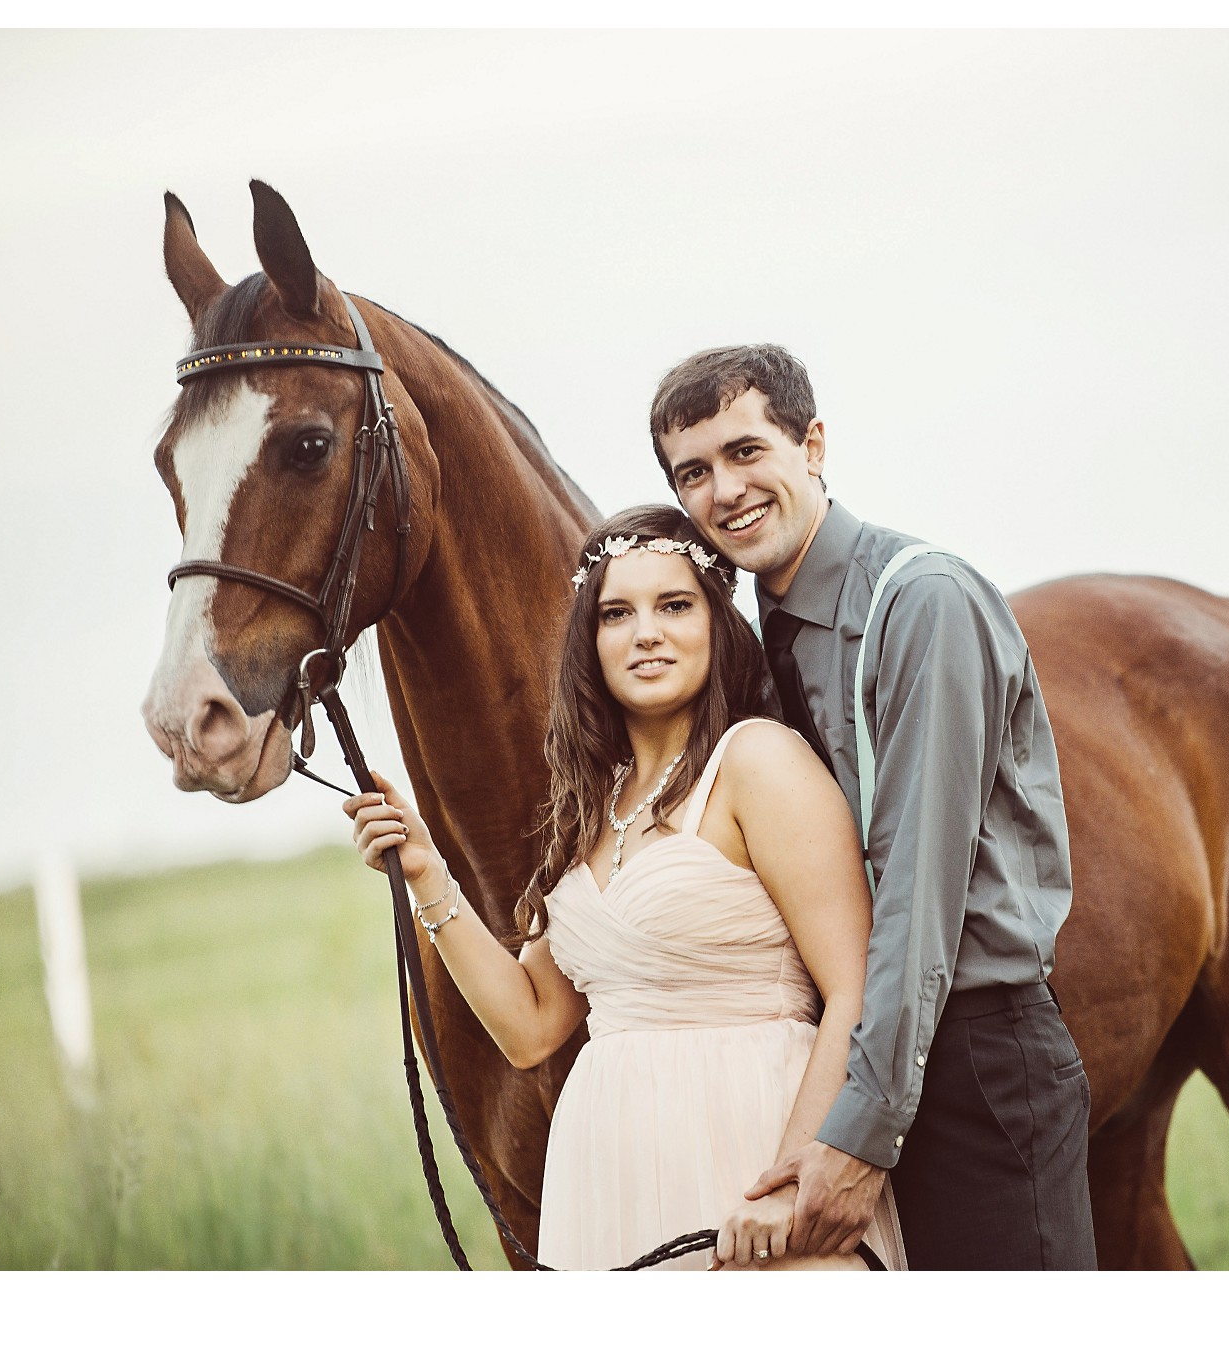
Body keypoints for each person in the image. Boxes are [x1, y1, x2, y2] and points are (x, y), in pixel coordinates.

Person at [343, 504, 906, 1271]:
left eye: (674, 605)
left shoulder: (758, 763)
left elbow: (857, 987)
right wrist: (425, 870)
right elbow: (531, 1025)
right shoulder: (589, 806)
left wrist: (795, 1172)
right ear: (591, 642)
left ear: (715, 623)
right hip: (609, 1181)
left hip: (750, 1144)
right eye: (617, 612)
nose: (646, 632)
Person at [650, 345, 1097, 1270]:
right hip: (852, 1065)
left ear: (812, 444)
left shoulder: (922, 601)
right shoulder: (744, 641)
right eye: (693, 472)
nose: (724, 491)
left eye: (745, 451)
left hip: (973, 1067)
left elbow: (917, 899)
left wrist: (859, 1136)